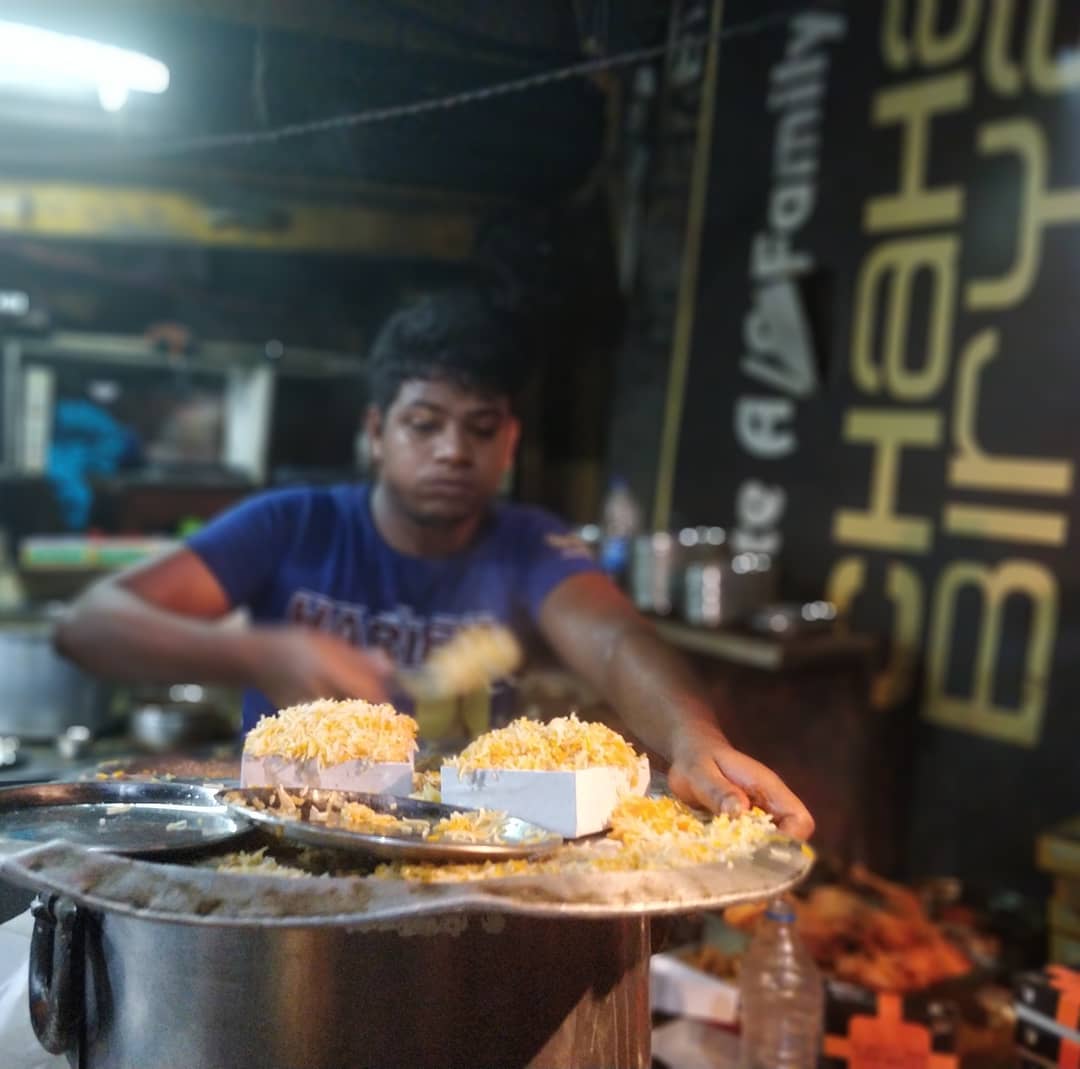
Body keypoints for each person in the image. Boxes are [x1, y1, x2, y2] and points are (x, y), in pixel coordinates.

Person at [55, 291, 813, 838]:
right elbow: (88, 624)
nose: (454, 449)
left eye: (481, 428)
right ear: (377, 432)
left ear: (511, 441)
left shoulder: (529, 545)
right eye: (425, 424)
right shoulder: (293, 524)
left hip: (472, 850)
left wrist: (692, 740)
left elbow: (616, 641)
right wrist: (254, 648)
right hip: (288, 846)